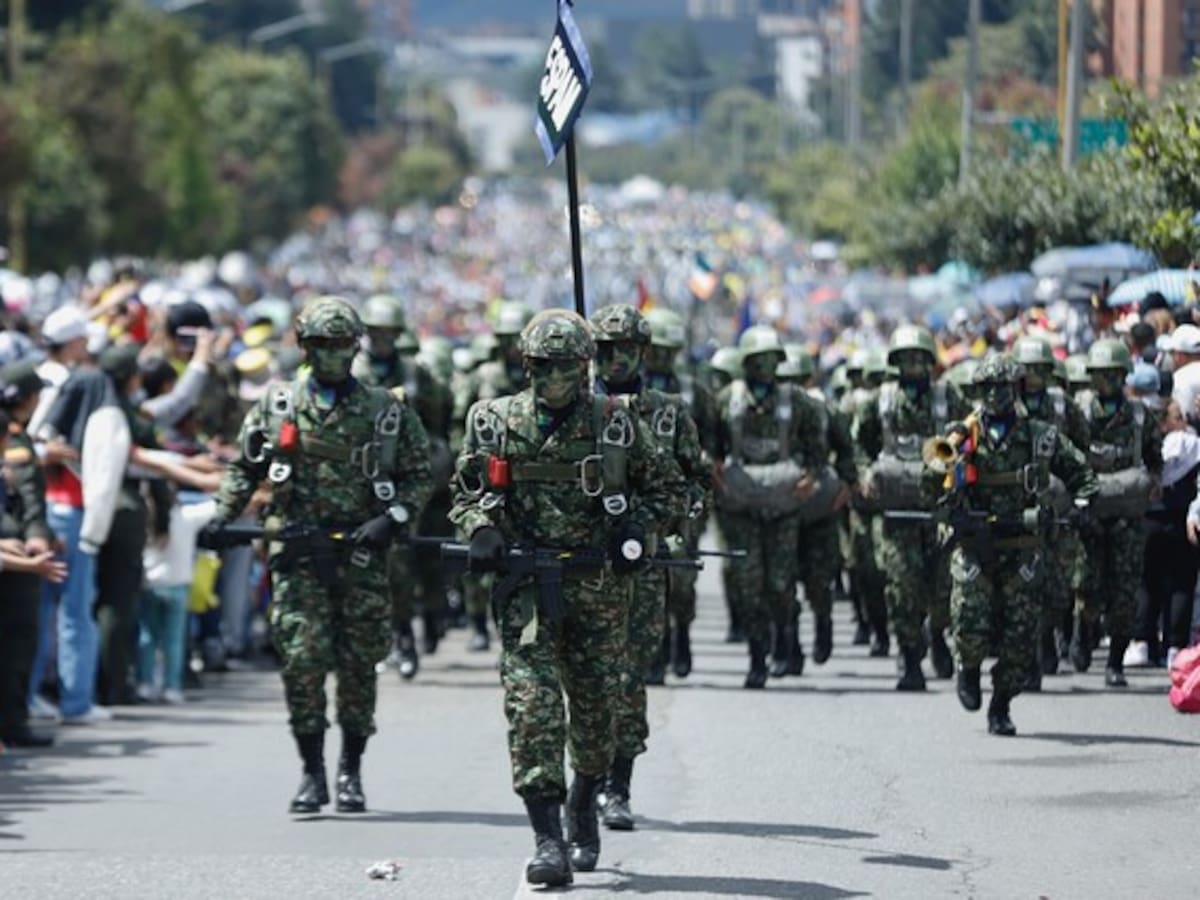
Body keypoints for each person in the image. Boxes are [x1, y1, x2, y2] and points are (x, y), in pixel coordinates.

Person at [450, 309, 683, 886]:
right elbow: (466, 492)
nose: (556, 377)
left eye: (568, 366)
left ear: (586, 367)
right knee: (533, 710)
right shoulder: (494, 422)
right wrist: (480, 529)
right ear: (526, 366)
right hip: (527, 588)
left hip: (599, 588)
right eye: (545, 366)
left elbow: (669, 489)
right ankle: (547, 837)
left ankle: (586, 796)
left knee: (599, 713)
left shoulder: (615, 424)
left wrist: (636, 528)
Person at [206, 296, 433, 814]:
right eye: (322, 345)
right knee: (303, 665)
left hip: (362, 552)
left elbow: (420, 474)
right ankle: (312, 772)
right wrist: (223, 514)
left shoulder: (386, 410)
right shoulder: (276, 405)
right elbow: (245, 466)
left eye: (342, 345)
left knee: (358, 668)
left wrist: (393, 518)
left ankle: (350, 769)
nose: (333, 354)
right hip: (298, 553)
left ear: (356, 348)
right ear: (304, 347)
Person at [588, 303, 709, 832]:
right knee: (582, 677)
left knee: (628, 676)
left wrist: (674, 523)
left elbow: (695, 481)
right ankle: (581, 782)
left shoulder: (667, 412)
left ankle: (618, 786)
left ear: (644, 354)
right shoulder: (576, 408)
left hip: (642, 564)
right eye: (606, 351)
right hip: (580, 563)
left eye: (627, 351)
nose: (616, 361)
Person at [939, 355, 1097, 735]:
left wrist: (1081, 506)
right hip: (975, 543)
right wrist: (946, 485)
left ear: (1016, 390)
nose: (995, 395)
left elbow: (1082, 475)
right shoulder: (962, 436)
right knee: (969, 621)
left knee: (1020, 636)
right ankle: (968, 668)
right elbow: (931, 482)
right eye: (987, 388)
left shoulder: (1040, 435)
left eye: (1003, 387)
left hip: (1023, 545)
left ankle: (1001, 705)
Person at [712, 325, 828, 688]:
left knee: (780, 584)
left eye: (769, 361)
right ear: (745, 363)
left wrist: (812, 475)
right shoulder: (726, 400)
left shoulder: (796, 401)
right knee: (748, 583)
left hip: (783, 506)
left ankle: (784, 636)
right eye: (757, 361)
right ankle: (757, 657)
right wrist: (714, 472)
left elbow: (817, 445)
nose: (764, 368)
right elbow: (709, 444)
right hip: (740, 507)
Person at [854, 325, 966, 691]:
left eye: (920, 358)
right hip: (897, 514)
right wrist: (864, 472)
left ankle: (937, 634)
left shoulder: (947, 397)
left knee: (942, 588)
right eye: (907, 359)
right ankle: (909, 655)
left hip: (939, 513)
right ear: (896, 363)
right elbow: (858, 443)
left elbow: (970, 436)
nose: (914, 365)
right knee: (903, 588)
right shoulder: (880, 400)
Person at [353, 294, 453, 677]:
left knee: (406, 556)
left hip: (408, 476)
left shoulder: (415, 373)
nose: (382, 339)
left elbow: (437, 417)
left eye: (388, 333)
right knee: (375, 560)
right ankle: (387, 634)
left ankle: (409, 630)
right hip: (366, 476)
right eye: (376, 332)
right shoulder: (355, 371)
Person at [1072, 338, 1163, 686]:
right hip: (1088, 515)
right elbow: (1066, 455)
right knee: (1087, 584)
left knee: (1124, 591)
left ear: (1123, 375)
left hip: (1127, 519)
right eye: (1100, 374)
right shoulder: (1079, 413)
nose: (1106, 381)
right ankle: (1082, 629)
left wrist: (1149, 484)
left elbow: (1155, 459)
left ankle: (1115, 663)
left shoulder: (1139, 416)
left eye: (1112, 374)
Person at [1011, 336, 1090, 690]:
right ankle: (1029, 656)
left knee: (1057, 586)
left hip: (1057, 508)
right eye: (1027, 371)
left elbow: (1081, 452)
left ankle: (1049, 633)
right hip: (1016, 509)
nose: (1034, 377)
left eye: (1040, 369)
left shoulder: (1062, 406)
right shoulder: (1003, 406)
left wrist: (1080, 497)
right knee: (1022, 583)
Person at [0, 367, 66, 747]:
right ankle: (13, 721)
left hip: (17, 542)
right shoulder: (16, 442)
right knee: (18, 637)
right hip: (16, 545)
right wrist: (38, 536)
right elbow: (25, 496)